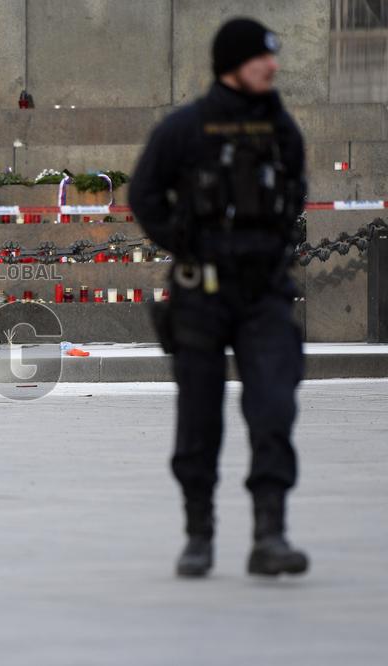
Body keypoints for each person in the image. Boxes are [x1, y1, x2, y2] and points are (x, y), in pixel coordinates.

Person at [129, 18, 309, 577]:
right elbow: (144, 193)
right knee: (199, 418)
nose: (272, 67)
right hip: (201, 294)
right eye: (262, 59)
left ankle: (270, 534)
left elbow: (295, 190)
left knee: (274, 407)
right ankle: (199, 534)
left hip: (264, 293)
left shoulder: (281, 129)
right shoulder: (186, 128)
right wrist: (182, 244)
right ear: (233, 63)